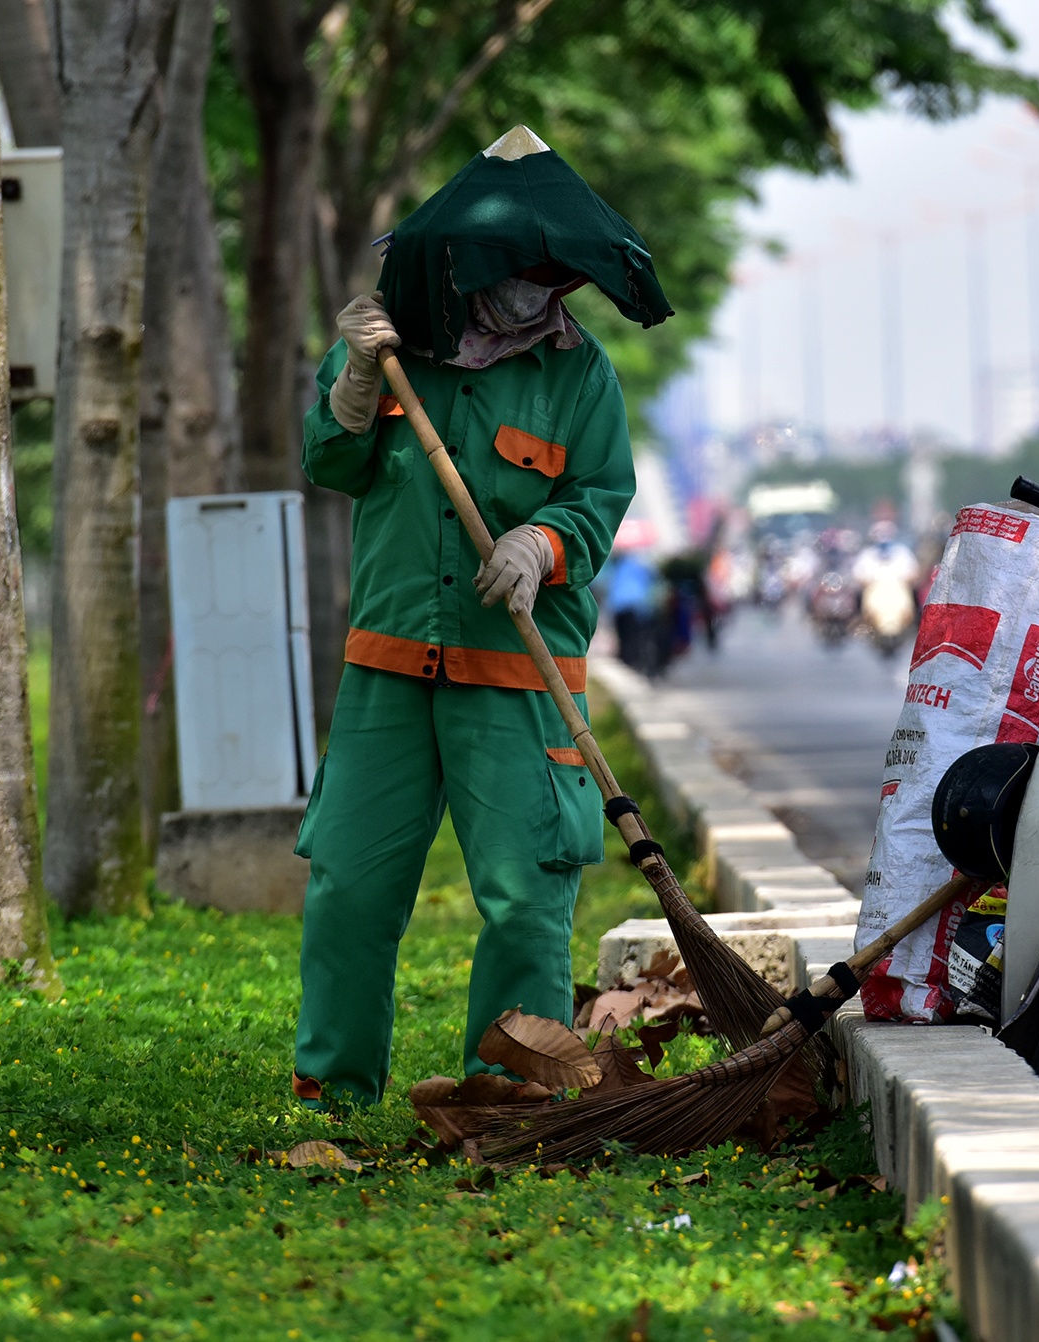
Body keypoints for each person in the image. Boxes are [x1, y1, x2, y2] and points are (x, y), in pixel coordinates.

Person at [291, 126, 672, 1114]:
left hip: (516, 673)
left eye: (556, 277)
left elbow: (596, 498)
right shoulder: (391, 345)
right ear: (476, 260)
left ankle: (507, 1094)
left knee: (522, 897)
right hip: (387, 666)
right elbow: (330, 465)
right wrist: (356, 382)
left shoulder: (578, 375)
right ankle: (332, 1086)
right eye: (525, 270)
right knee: (350, 884)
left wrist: (537, 546)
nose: (539, 292)